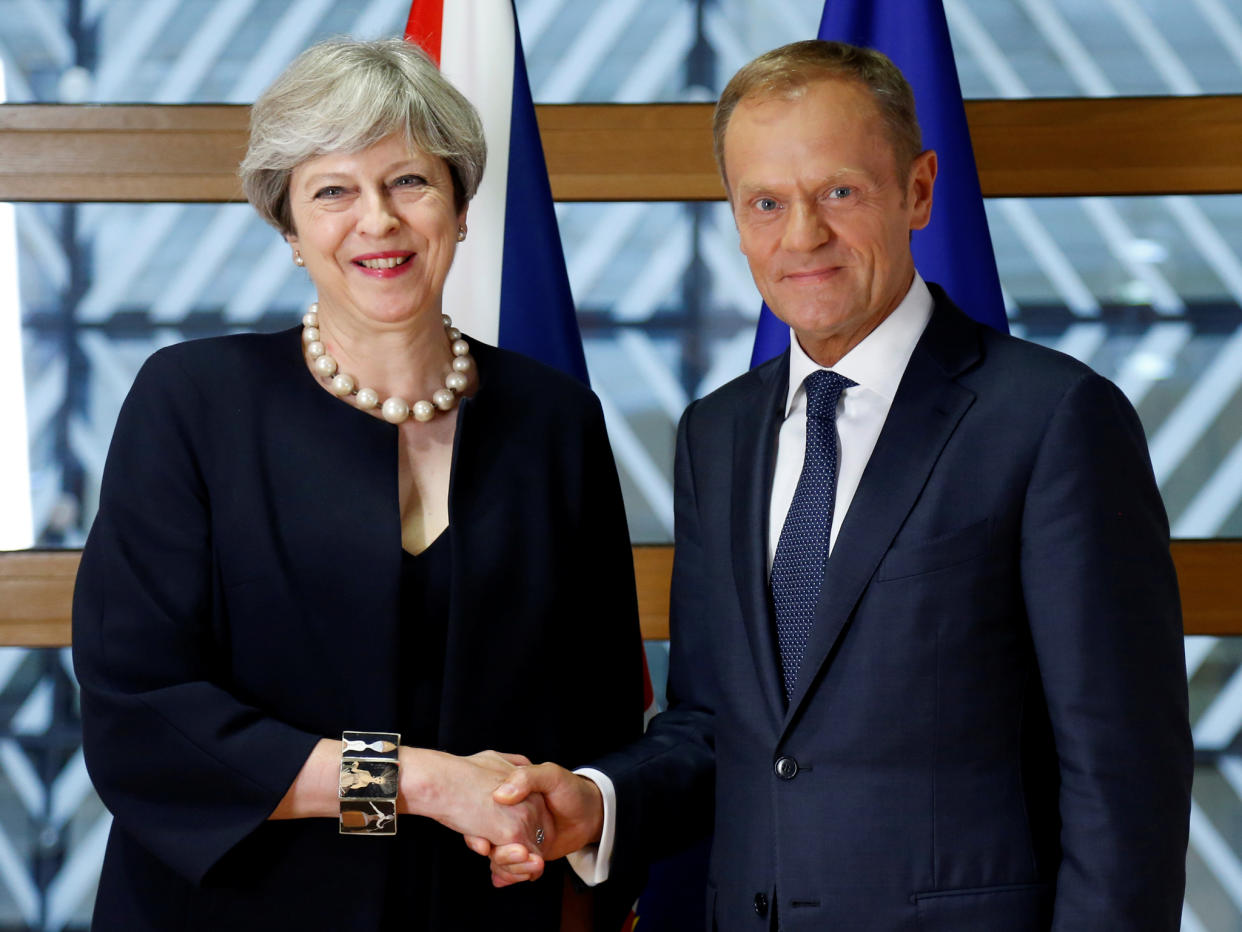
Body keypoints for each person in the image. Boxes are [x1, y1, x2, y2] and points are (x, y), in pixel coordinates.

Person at [484, 39, 1193, 931]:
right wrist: (597, 802)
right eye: (766, 203)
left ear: (921, 190)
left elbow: (1122, 773)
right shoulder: (718, 432)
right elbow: (717, 727)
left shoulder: (1054, 420)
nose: (801, 236)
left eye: (840, 193)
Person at [71, 37, 643, 931]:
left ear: (457, 202)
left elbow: (603, 710)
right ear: (291, 230)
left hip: (483, 914)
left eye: (409, 181)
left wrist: (540, 802)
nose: (376, 219)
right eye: (333, 191)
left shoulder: (557, 421)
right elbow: (144, 720)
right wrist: (420, 782)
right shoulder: (191, 403)